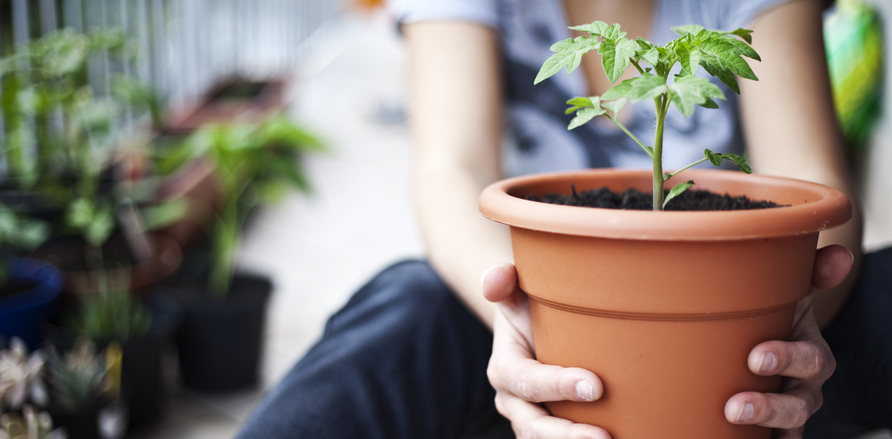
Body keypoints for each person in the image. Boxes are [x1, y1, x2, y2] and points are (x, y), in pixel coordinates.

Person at [236, 0, 866, 438]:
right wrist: (528, 329)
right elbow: (450, 170)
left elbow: (816, 196)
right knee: (410, 301)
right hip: (538, 326)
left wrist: (793, 319)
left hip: (739, 354)